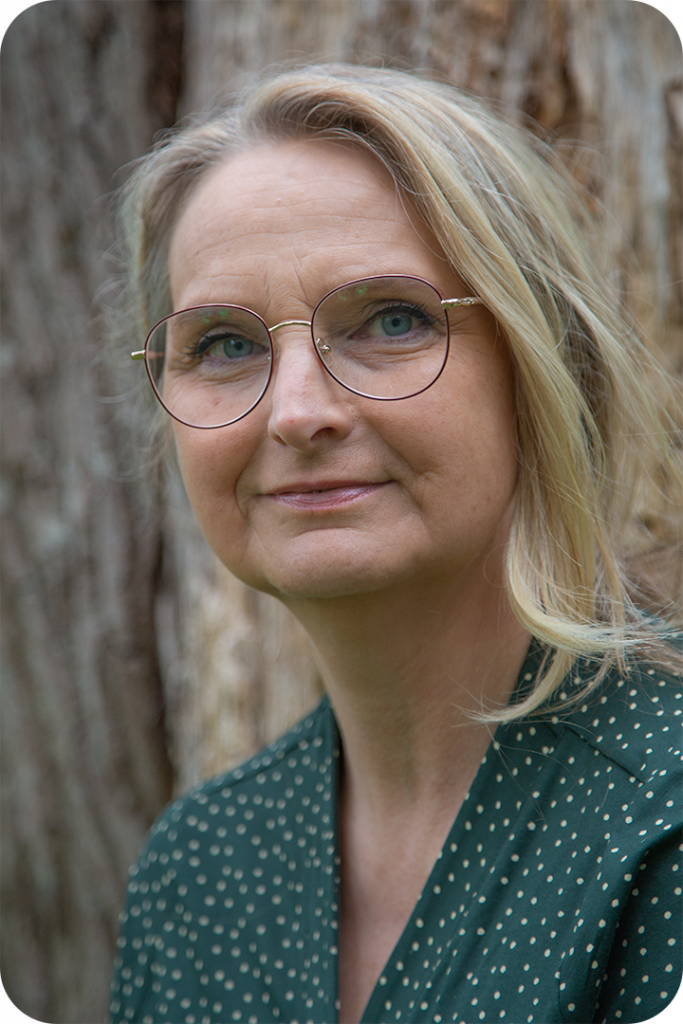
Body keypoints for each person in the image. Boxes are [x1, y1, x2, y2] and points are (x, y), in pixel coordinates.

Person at [108, 64, 683, 1024]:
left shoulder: (660, 813)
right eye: (224, 344)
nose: (297, 413)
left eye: (389, 320)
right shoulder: (196, 874)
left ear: (541, 363)